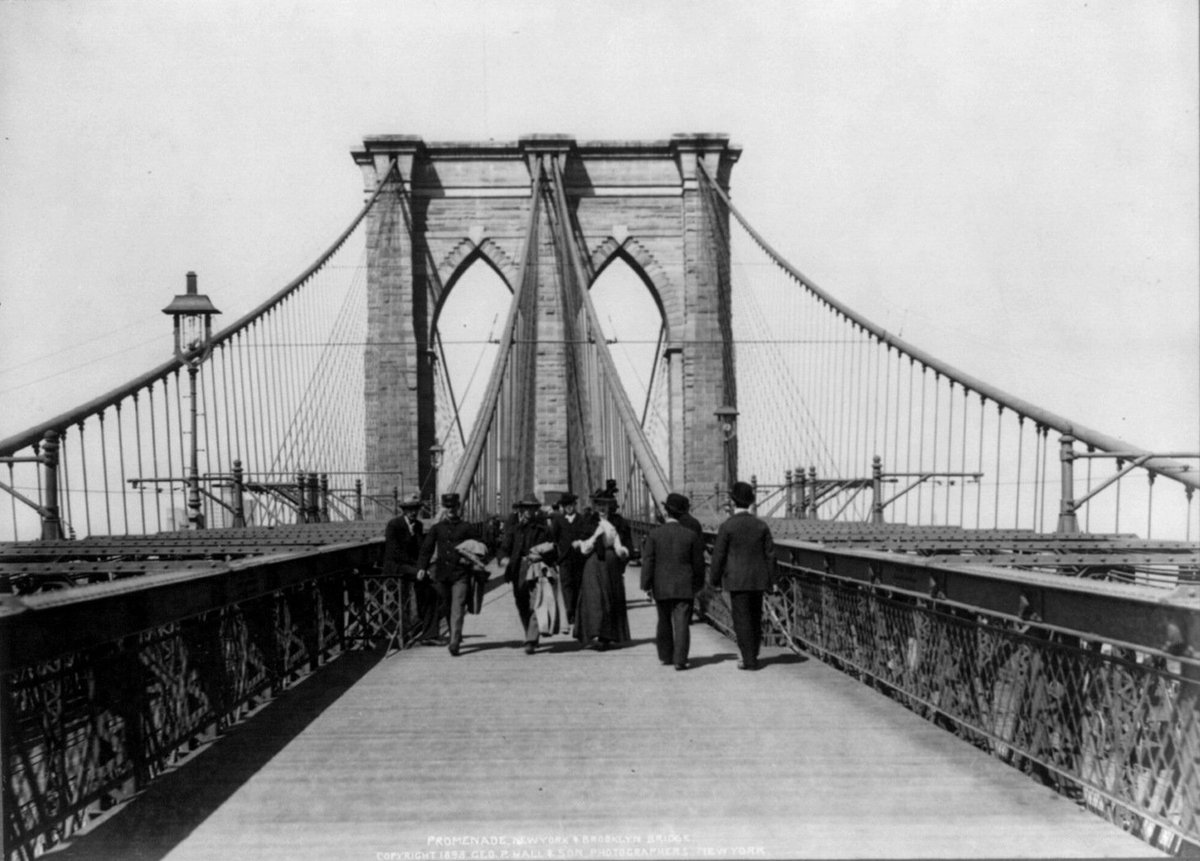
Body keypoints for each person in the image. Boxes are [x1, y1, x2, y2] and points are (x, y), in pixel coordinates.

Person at [709, 481, 775, 670]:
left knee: (742, 620)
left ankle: (749, 659)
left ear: (732, 501)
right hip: (758, 579)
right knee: (755, 618)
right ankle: (753, 654)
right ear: (751, 502)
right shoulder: (761, 526)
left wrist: (714, 581)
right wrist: (772, 581)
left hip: (736, 580)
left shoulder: (727, 526)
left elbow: (718, 556)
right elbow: (770, 555)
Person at [416, 492, 492, 657]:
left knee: (458, 607)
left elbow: (482, 546)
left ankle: (454, 642)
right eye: (448, 507)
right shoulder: (437, 528)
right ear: (445, 508)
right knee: (447, 606)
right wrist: (422, 567)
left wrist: (471, 558)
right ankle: (453, 635)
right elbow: (426, 549)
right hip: (442, 575)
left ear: (459, 508)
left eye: (453, 507)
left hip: (461, 574)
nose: (451, 510)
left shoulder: (467, 527)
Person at [640, 492, 706, 670]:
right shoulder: (690, 535)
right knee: (682, 622)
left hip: (661, 584)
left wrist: (645, 585)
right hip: (684, 585)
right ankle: (680, 660)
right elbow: (698, 564)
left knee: (663, 620)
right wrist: (698, 585)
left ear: (667, 512)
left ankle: (665, 656)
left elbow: (648, 562)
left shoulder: (654, 535)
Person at [572, 492, 631, 650]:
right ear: (594, 506)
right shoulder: (587, 521)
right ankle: (593, 632)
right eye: (599, 505)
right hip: (592, 562)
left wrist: (623, 555)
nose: (602, 508)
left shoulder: (619, 521)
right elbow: (580, 541)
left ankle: (606, 636)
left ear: (610, 505)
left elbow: (626, 544)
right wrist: (581, 545)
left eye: (605, 504)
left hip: (611, 563)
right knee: (593, 598)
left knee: (610, 598)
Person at [498, 493, 555, 654]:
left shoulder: (543, 530)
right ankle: (529, 633)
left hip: (537, 569)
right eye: (525, 508)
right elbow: (504, 547)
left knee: (536, 603)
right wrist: (503, 558)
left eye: (531, 508)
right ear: (521, 510)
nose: (528, 512)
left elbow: (553, 549)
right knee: (521, 603)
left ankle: (531, 639)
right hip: (518, 569)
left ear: (536, 510)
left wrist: (542, 556)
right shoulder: (514, 530)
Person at [381, 493, 441, 645]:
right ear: (404, 511)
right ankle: (404, 632)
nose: (413, 512)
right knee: (420, 581)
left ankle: (428, 633)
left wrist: (421, 568)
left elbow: (422, 550)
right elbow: (394, 553)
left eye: (415, 509)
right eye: (410, 509)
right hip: (396, 567)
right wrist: (418, 569)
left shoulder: (418, 526)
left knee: (430, 591)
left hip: (412, 568)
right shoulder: (394, 525)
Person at [549, 491, 592, 628]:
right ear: (563, 507)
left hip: (580, 558)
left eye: (571, 504)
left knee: (578, 584)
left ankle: (577, 611)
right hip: (565, 559)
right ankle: (570, 611)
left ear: (575, 505)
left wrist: (580, 542)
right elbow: (553, 539)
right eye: (566, 505)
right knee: (566, 584)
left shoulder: (582, 519)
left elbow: (587, 535)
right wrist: (555, 557)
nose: (569, 507)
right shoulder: (559, 520)